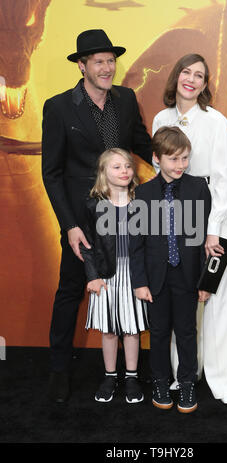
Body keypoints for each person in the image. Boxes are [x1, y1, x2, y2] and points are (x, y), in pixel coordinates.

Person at [42, 29, 152, 403]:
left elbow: (141, 143)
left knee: (130, 285)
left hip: (125, 215)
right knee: (71, 290)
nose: (107, 68)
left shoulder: (126, 99)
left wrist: (170, 163)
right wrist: (69, 225)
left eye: (111, 60)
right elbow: (52, 173)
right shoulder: (58, 107)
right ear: (82, 65)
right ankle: (58, 371)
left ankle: (133, 372)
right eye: (99, 61)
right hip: (82, 223)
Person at [152, 53, 227, 404]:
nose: (191, 79)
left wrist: (214, 229)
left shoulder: (216, 121)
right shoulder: (161, 118)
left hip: (214, 217)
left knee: (214, 296)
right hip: (176, 215)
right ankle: (183, 372)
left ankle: (221, 378)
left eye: (199, 75)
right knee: (180, 296)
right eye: (186, 72)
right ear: (175, 77)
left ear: (205, 85)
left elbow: (223, 179)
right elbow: (160, 167)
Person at [129, 126, 211, 413]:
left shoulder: (198, 188)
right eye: (174, 159)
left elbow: (204, 238)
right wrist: (139, 281)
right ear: (157, 158)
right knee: (160, 332)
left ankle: (187, 382)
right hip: (155, 278)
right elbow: (136, 244)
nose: (181, 165)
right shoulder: (143, 193)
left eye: (185, 158)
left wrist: (205, 281)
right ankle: (161, 382)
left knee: (187, 331)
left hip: (188, 276)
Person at [80, 148, 148, 403]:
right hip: (106, 276)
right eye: (116, 167)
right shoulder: (93, 205)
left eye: (128, 166)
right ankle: (110, 375)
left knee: (131, 329)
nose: (124, 171)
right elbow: (87, 246)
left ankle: (131, 377)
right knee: (109, 330)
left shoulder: (141, 203)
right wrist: (92, 276)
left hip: (134, 275)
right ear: (103, 172)